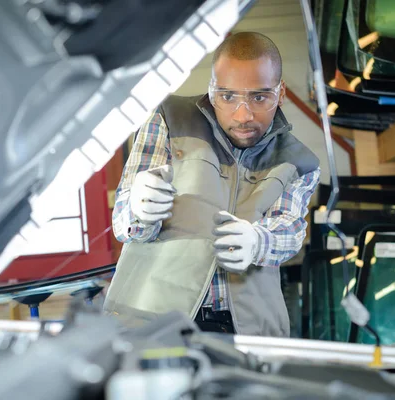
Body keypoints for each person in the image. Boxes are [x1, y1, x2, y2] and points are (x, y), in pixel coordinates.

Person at [103, 32, 320, 337]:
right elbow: (125, 225)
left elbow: (290, 233)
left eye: (259, 97)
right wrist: (139, 209)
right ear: (211, 89)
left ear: (280, 93)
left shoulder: (300, 162)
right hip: (153, 319)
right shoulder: (168, 118)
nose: (242, 115)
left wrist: (258, 242)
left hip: (247, 330)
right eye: (227, 96)